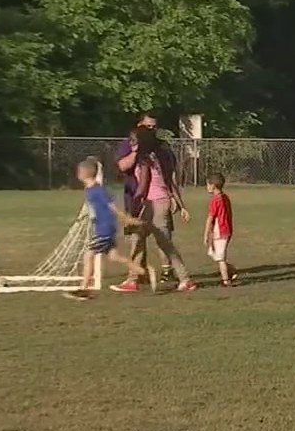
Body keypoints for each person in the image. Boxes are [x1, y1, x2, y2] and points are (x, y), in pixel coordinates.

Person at [111, 127, 197, 293]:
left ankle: (185, 280)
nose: (132, 143)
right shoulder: (157, 155)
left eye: (135, 140)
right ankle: (133, 279)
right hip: (155, 203)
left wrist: (134, 205)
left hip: (155, 204)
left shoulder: (145, 159)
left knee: (163, 243)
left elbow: (143, 186)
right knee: (137, 237)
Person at [64, 157, 151, 301]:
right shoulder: (90, 190)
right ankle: (142, 271)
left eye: (79, 171)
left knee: (88, 255)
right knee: (114, 256)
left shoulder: (97, 190)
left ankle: (84, 289)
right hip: (105, 227)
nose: (77, 174)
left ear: (84, 174)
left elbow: (112, 206)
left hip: (104, 229)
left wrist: (126, 218)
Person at [115, 112, 179, 283]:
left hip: (157, 199)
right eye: (147, 126)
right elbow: (122, 166)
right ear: (139, 126)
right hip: (136, 199)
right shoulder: (129, 145)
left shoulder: (161, 147)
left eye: (153, 127)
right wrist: (137, 151)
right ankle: (137, 274)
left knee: (163, 236)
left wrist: (175, 198)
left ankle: (169, 271)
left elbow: (169, 174)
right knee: (137, 237)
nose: (151, 130)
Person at [203, 173, 239, 287]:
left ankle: (226, 281)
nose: (207, 187)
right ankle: (231, 270)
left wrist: (206, 234)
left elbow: (210, 218)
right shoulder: (225, 197)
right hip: (226, 230)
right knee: (213, 253)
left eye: (208, 185)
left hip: (221, 231)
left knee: (220, 258)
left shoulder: (215, 200)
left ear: (213, 186)